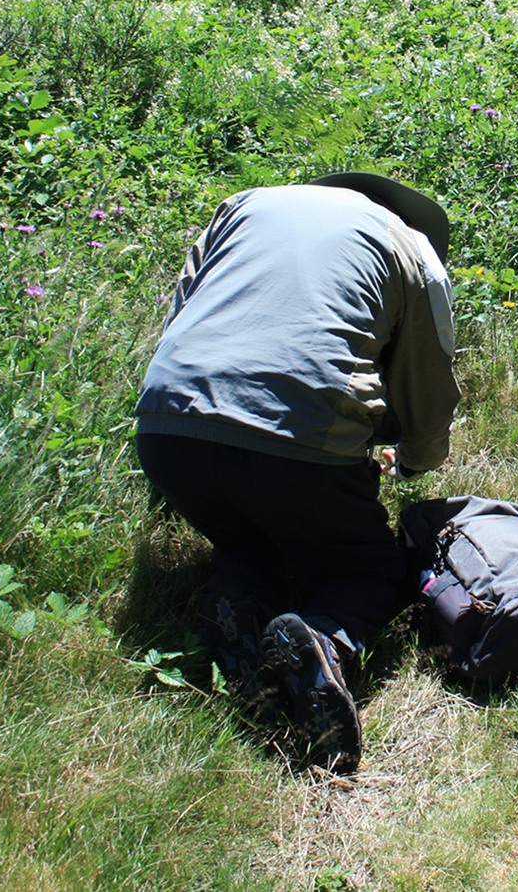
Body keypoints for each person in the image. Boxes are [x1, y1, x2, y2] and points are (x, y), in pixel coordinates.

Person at [134, 174, 460, 773]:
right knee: (370, 571)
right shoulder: (408, 247)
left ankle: (236, 602)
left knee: (249, 539)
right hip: (298, 448)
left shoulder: (243, 206)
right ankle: (323, 637)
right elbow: (427, 385)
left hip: (166, 430)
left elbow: (182, 313)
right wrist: (415, 460)